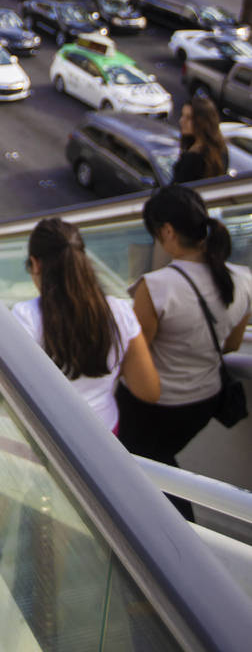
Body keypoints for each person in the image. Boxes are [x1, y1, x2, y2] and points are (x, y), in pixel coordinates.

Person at [117, 185, 252, 518]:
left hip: (155, 408)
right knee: (161, 459)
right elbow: (232, 345)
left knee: (143, 466)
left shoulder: (157, 287)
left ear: (167, 231)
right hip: (204, 404)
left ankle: (179, 528)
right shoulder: (244, 279)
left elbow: (133, 357)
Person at [12, 218, 159, 431]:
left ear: (35, 264)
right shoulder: (120, 311)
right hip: (105, 432)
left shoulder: (25, 316)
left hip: (51, 437)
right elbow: (149, 390)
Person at [172, 96, 229, 184]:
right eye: (182, 115)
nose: (181, 121)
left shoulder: (191, 158)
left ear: (202, 121)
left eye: (189, 118)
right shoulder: (221, 149)